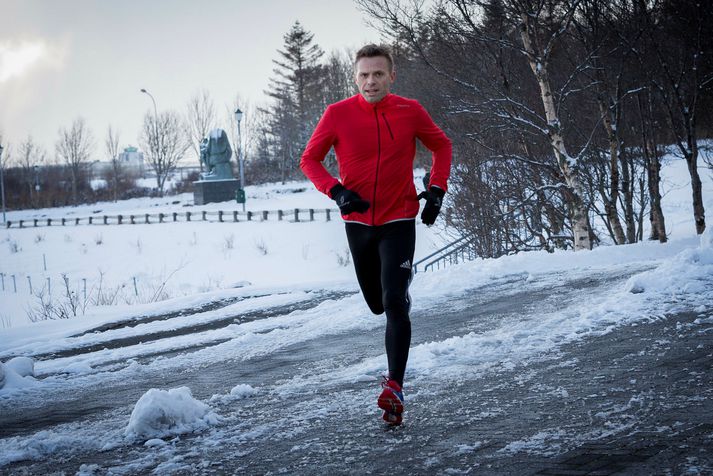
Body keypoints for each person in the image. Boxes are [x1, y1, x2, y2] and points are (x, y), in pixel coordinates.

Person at [300, 44, 452, 426]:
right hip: (358, 222)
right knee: (376, 303)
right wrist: (335, 191)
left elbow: (442, 145)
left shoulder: (409, 110)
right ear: (355, 78)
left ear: (391, 76)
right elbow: (309, 159)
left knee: (395, 302)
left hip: (400, 217)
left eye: (378, 74)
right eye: (365, 75)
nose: (371, 81)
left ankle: (395, 387)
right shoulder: (337, 114)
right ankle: (395, 290)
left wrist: (436, 189)